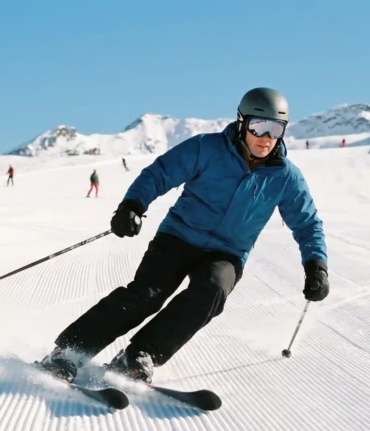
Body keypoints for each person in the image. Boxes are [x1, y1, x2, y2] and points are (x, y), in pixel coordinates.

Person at [38, 87, 329, 384]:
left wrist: (316, 265)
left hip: (227, 253)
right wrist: (133, 205)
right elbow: (159, 173)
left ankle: (140, 354)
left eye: (275, 129)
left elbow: (307, 224)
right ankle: (70, 351)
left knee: (212, 291)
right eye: (259, 126)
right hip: (178, 237)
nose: (266, 137)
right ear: (242, 123)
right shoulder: (207, 148)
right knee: (147, 295)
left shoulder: (285, 177)